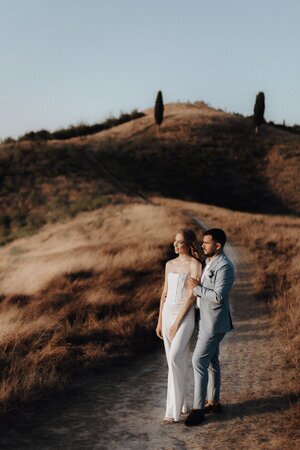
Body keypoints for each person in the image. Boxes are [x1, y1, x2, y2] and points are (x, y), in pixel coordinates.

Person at [184, 228, 234, 427]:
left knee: (198, 360)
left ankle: (198, 410)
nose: (202, 245)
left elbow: (219, 297)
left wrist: (196, 288)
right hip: (206, 320)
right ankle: (213, 401)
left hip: (213, 323)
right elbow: (206, 267)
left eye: (206, 243)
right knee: (212, 361)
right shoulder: (210, 261)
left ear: (218, 245)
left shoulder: (225, 266)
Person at [156, 228, 202, 424]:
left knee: (175, 358)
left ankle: (171, 413)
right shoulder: (169, 264)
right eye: (175, 241)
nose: (175, 245)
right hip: (167, 314)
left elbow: (192, 297)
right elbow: (164, 293)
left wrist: (176, 323)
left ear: (189, 244)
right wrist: (160, 320)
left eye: (180, 242)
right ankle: (181, 404)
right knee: (175, 362)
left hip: (184, 316)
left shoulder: (195, 265)